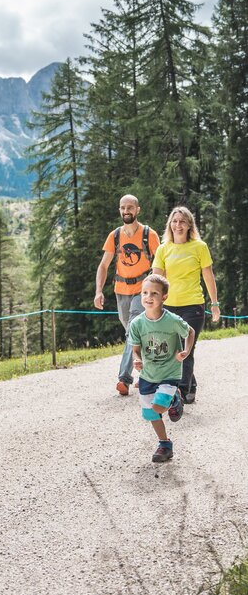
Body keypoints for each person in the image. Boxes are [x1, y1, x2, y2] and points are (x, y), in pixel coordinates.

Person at [152, 206, 220, 404]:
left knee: (186, 348)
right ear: (170, 224)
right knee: (174, 349)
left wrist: (214, 303)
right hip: (169, 307)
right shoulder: (163, 249)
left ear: (190, 224)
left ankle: (179, 393)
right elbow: (156, 278)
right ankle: (191, 386)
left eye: (182, 221)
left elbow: (208, 277)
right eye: (175, 221)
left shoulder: (200, 247)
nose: (178, 225)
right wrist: (152, 303)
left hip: (193, 305)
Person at [94, 194, 160, 395]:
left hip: (144, 291)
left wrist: (157, 292)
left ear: (138, 210)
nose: (126, 211)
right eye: (123, 208)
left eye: (130, 207)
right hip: (120, 291)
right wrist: (98, 291)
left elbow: (160, 265)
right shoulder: (115, 236)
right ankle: (149, 371)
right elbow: (104, 265)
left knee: (133, 331)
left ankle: (124, 378)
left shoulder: (150, 235)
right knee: (136, 334)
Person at [129, 274, 195, 463]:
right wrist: (137, 360)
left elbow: (189, 331)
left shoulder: (172, 320)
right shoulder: (137, 324)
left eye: (154, 293)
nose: (148, 297)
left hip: (169, 373)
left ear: (164, 297)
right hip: (148, 375)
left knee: (158, 406)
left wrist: (186, 351)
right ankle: (164, 444)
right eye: (145, 293)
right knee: (150, 413)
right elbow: (135, 350)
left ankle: (175, 399)